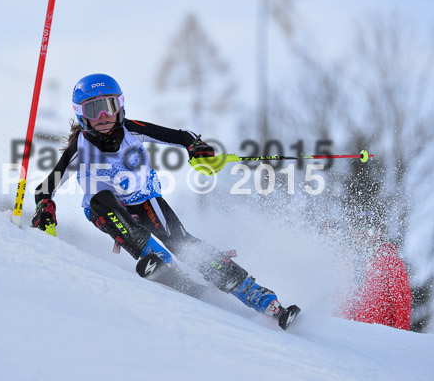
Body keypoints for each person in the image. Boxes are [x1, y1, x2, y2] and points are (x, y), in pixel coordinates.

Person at [32, 73, 299, 327]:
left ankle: (261, 298)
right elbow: (45, 188)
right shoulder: (78, 149)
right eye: (93, 110)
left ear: (120, 105)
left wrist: (196, 148)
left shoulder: (131, 130)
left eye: (109, 106)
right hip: (106, 211)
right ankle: (157, 260)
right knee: (100, 199)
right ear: (80, 113)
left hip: (145, 200)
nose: (103, 116)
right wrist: (45, 208)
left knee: (185, 244)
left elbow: (181, 137)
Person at [341, 212, 412, 330]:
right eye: (359, 226)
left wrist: (400, 337)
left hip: (378, 336)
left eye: (370, 227)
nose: (364, 232)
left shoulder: (389, 259)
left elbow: (402, 304)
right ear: (353, 230)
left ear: (378, 232)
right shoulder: (343, 258)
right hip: (344, 334)